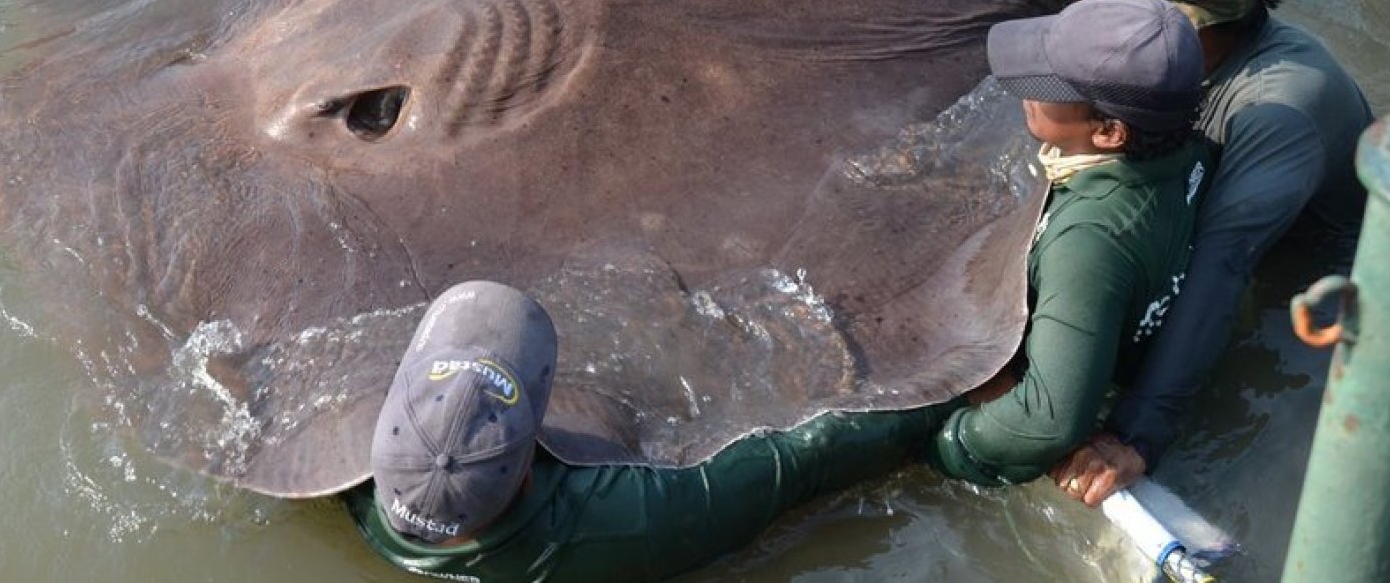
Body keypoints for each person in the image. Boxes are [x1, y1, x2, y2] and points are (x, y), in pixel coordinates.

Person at [1044, 0, 1374, 506]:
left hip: (1314, 281)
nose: (1095, 5)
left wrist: (1137, 432)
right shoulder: (1182, 59)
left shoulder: (1279, 110)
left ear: (1180, 19)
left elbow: (1222, 268)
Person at [347, 280, 946, 583]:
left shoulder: (340, 486)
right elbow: (802, 459)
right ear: (528, 469)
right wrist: (948, 396)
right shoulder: (635, 518)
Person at [927, 0, 1212, 492]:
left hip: (1033, 386)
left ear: (1108, 134)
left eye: (1048, 86)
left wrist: (954, 443)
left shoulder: (1089, 241)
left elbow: (1049, 422)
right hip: (1106, 321)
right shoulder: (1192, 150)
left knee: (812, 449)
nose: (1028, 91)